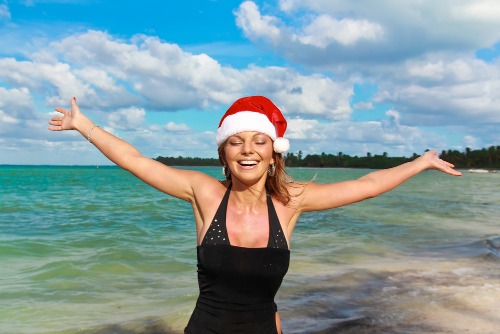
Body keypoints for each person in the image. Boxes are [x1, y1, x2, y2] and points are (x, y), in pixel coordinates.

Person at [48, 96, 462, 333]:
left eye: (259, 140)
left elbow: (365, 186)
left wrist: (420, 163)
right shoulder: (204, 193)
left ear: (273, 153)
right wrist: (84, 125)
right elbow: (135, 160)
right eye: (237, 141)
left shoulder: (290, 202)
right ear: (223, 153)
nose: (248, 149)